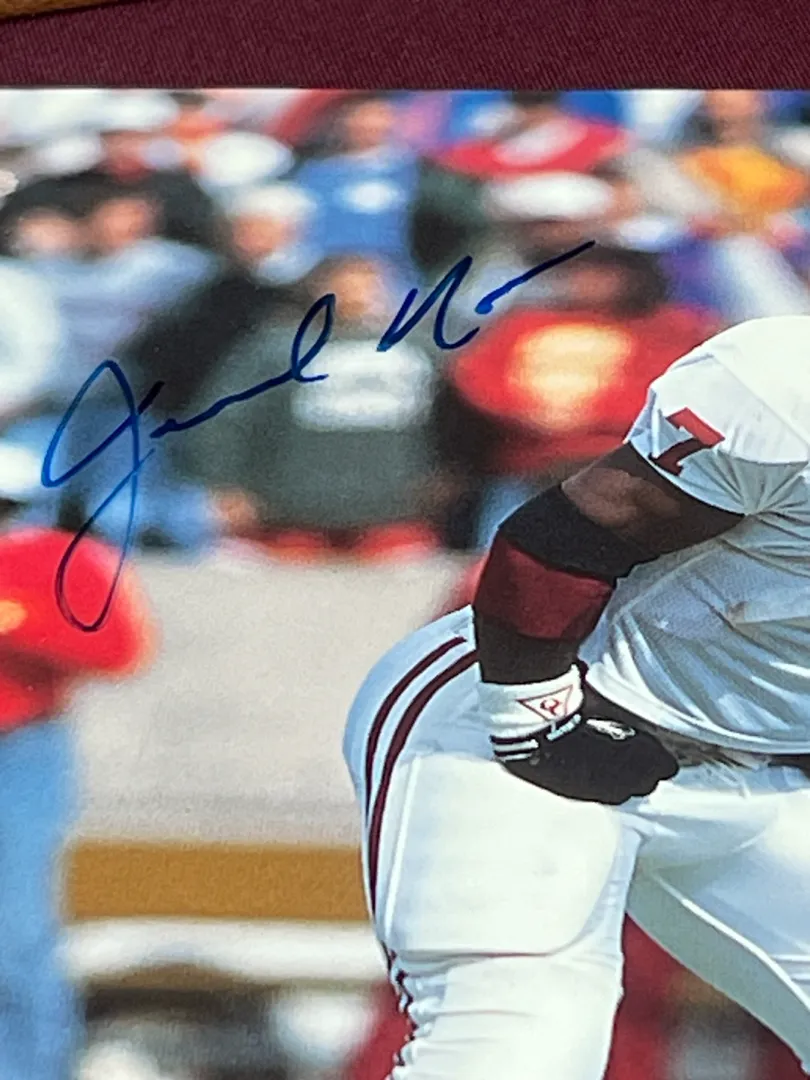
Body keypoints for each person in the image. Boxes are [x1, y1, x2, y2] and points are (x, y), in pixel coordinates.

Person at [343, 314, 810, 1078]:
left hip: (761, 767)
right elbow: (556, 543)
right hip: (544, 702)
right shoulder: (789, 383)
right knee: (516, 1045)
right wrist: (533, 719)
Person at [0, 440, 154, 1080]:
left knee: (15, 934)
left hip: (19, 750)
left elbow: (118, 647)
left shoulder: (53, 560)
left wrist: (16, 621)